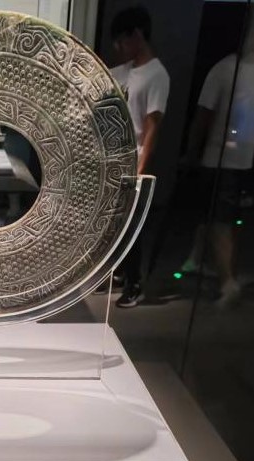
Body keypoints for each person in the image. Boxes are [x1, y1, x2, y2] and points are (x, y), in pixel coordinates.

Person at [182, 19, 254, 308]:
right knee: (222, 217)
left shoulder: (225, 70)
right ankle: (198, 259)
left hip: (221, 160)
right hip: (240, 159)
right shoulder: (230, 70)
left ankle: (227, 280)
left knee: (219, 220)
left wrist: (191, 151)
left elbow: (204, 116)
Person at [109, 5, 170, 308]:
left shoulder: (156, 74)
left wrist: (140, 173)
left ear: (137, 35)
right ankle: (121, 273)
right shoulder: (124, 71)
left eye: (121, 41)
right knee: (115, 223)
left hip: (135, 159)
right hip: (115, 159)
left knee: (132, 226)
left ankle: (135, 284)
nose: (118, 48)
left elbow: (152, 126)